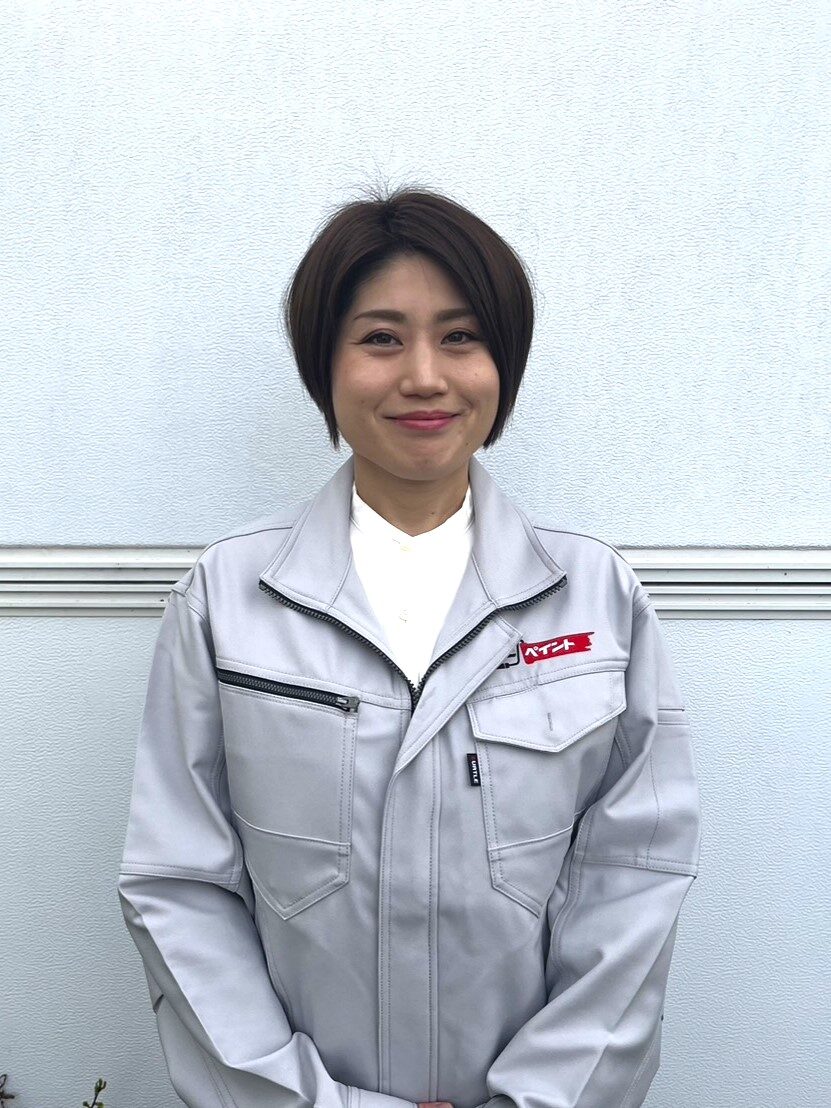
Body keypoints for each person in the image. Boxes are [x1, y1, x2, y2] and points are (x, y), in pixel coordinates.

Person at [118, 184, 702, 1108]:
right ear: (325, 365)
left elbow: (634, 878)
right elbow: (179, 884)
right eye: (381, 338)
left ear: (502, 362)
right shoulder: (227, 600)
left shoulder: (595, 598)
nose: (424, 376)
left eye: (460, 337)